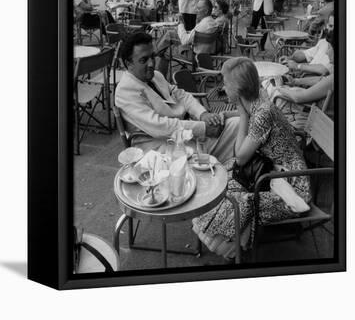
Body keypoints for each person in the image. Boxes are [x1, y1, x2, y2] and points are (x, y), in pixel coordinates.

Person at [192, 57, 311, 260]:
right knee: (218, 179)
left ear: (238, 90)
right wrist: (232, 114)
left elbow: (240, 158)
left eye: (226, 84)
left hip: (292, 187)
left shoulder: (261, 114)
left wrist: (241, 115)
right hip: (273, 172)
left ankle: (233, 247)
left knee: (228, 196)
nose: (222, 88)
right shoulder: (259, 102)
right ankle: (231, 240)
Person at [114, 32, 240, 163]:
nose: (151, 63)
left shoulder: (156, 76)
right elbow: (159, 126)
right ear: (129, 64)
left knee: (238, 123)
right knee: (234, 134)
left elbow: (181, 95)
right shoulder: (125, 91)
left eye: (152, 56)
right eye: (143, 60)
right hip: (160, 148)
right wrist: (203, 128)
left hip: (185, 134)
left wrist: (202, 114)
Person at [280, 13, 334, 78]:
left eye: (331, 26)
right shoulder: (324, 42)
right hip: (303, 77)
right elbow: (306, 54)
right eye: (330, 26)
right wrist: (290, 58)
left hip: (312, 83)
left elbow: (325, 70)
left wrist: (297, 66)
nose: (327, 28)